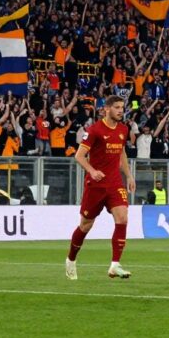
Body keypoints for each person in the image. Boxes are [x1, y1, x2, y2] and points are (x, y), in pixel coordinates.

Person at [65, 95, 135, 280]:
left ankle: (115, 265)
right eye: (117, 107)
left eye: (122, 107)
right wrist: (92, 170)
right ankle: (71, 259)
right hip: (95, 185)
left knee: (122, 218)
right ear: (107, 109)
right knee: (85, 225)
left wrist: (128, 176)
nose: (121, 110)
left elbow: (122, 153)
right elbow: (79, 156)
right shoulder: (94, 130)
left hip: (114, 183)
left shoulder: (123, 129)